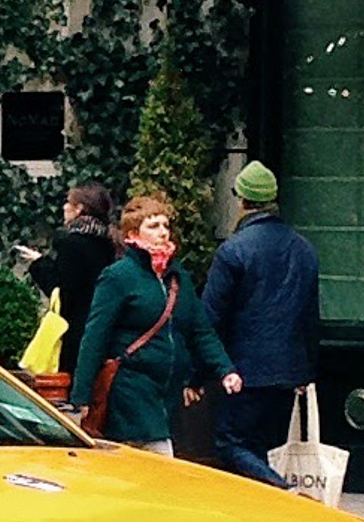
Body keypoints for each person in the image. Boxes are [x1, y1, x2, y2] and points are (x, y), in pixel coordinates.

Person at [69, 190, 239, 453]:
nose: (163, 232)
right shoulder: (118, 277)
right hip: (131, 390)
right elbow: (95, 337)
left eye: (166, 225)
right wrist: (81, 396)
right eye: (153, 226)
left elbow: (200, 330)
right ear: (132, 235)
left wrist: (225, 369)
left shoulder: (177, 277)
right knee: (158, 460)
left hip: (167, 395)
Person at [196, 159, 321, 487]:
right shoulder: (304, 249)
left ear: (242, 201)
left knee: (231, 443)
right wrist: (306, 372)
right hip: (288, 371)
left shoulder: (233, 251)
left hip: (244, 372)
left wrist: (198, 374)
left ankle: (282, 489)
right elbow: (310, 317)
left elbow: (210, 317)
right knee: (266, 448)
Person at [29, 182, 117, 376]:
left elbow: (62, 294)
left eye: (69, 203)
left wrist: (39, 264)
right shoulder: (109, 244)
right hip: (102, 334)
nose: (64, 207)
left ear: (79, 209)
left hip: (74, 336)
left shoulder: (72, 244)